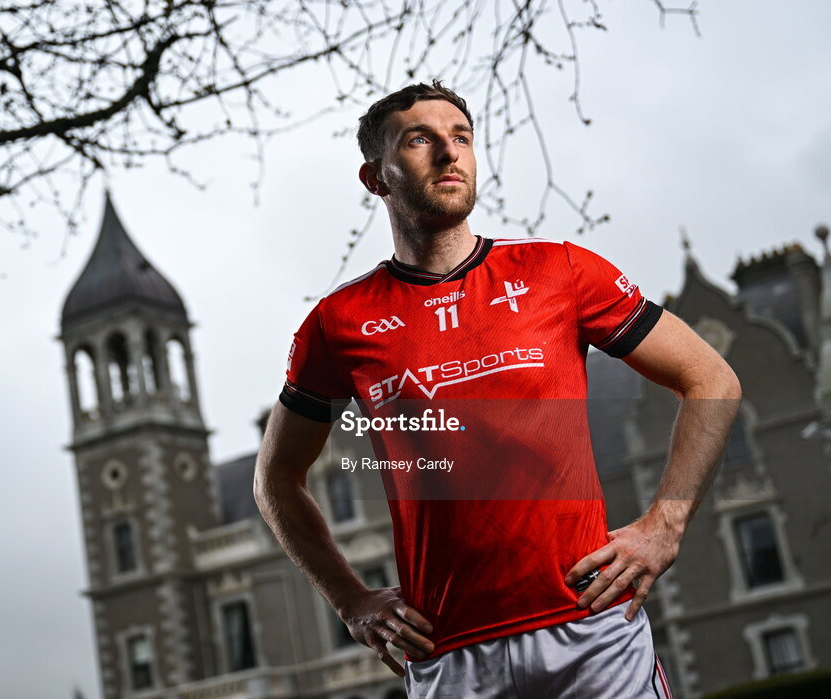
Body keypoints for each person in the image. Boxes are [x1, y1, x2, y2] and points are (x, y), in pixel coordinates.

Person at [254, 80, 741, 698]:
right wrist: (350, 600)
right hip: (448, 653)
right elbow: (276, 478)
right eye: (419, 140)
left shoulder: (561, 271)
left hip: (590, 628)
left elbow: (711, 379)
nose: (449, 153)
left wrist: (664, 526)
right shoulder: (337, 323)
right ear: (375, 177)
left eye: (461, 137)